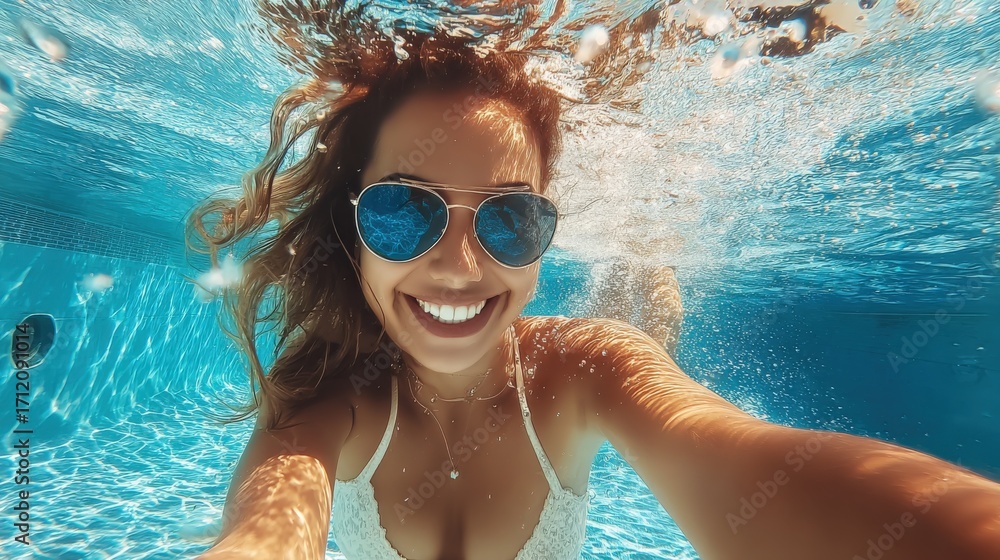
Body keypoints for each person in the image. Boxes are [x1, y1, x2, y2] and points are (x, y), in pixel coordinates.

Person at [189, 27, 1000, 560]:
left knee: (637, 339)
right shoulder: (327, 400)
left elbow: (751, 465)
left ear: (546, 240)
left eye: (510, 220)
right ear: (351, 227)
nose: (461, 267)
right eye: (405, 211)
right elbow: (265, 535)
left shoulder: (587, 370)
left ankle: (653, 288)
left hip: (586, 372)